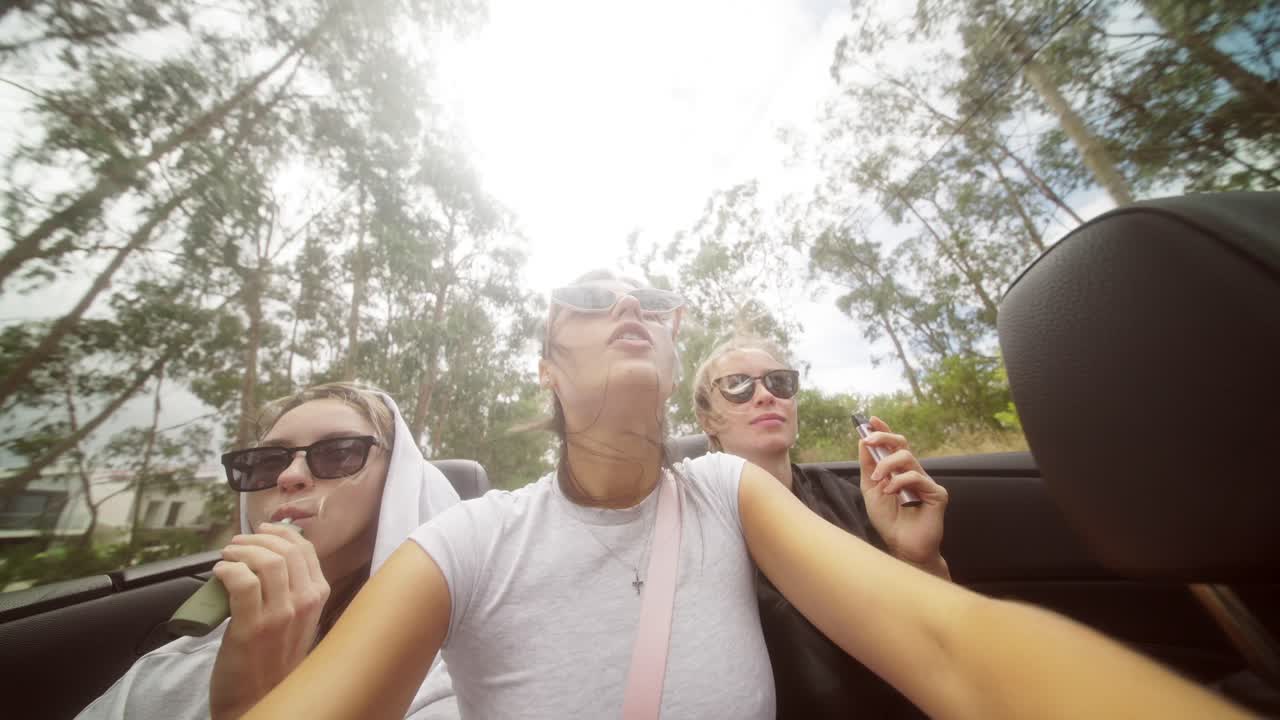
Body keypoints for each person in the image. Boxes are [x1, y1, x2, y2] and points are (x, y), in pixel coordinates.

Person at [240, 273, 1246, 720]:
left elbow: (955, 646)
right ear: (546, 367)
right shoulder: (465, 542)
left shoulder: (724, 493)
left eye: (648, 298)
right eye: (590, 299)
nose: (626, 305)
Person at [77, 383, 461, 720]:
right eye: (266, 462)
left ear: (400, 483)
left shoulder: (452, 678)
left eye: (339, 453)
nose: (288, 476)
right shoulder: (165, 673)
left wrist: (253, 706)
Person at [692, 334, 945, 718]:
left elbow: (934, 638)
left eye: (780, 382)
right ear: (708, 418)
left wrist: (919, 556)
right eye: (738, 386)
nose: (765, 395)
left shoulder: (851, 497)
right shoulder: (693, 523)